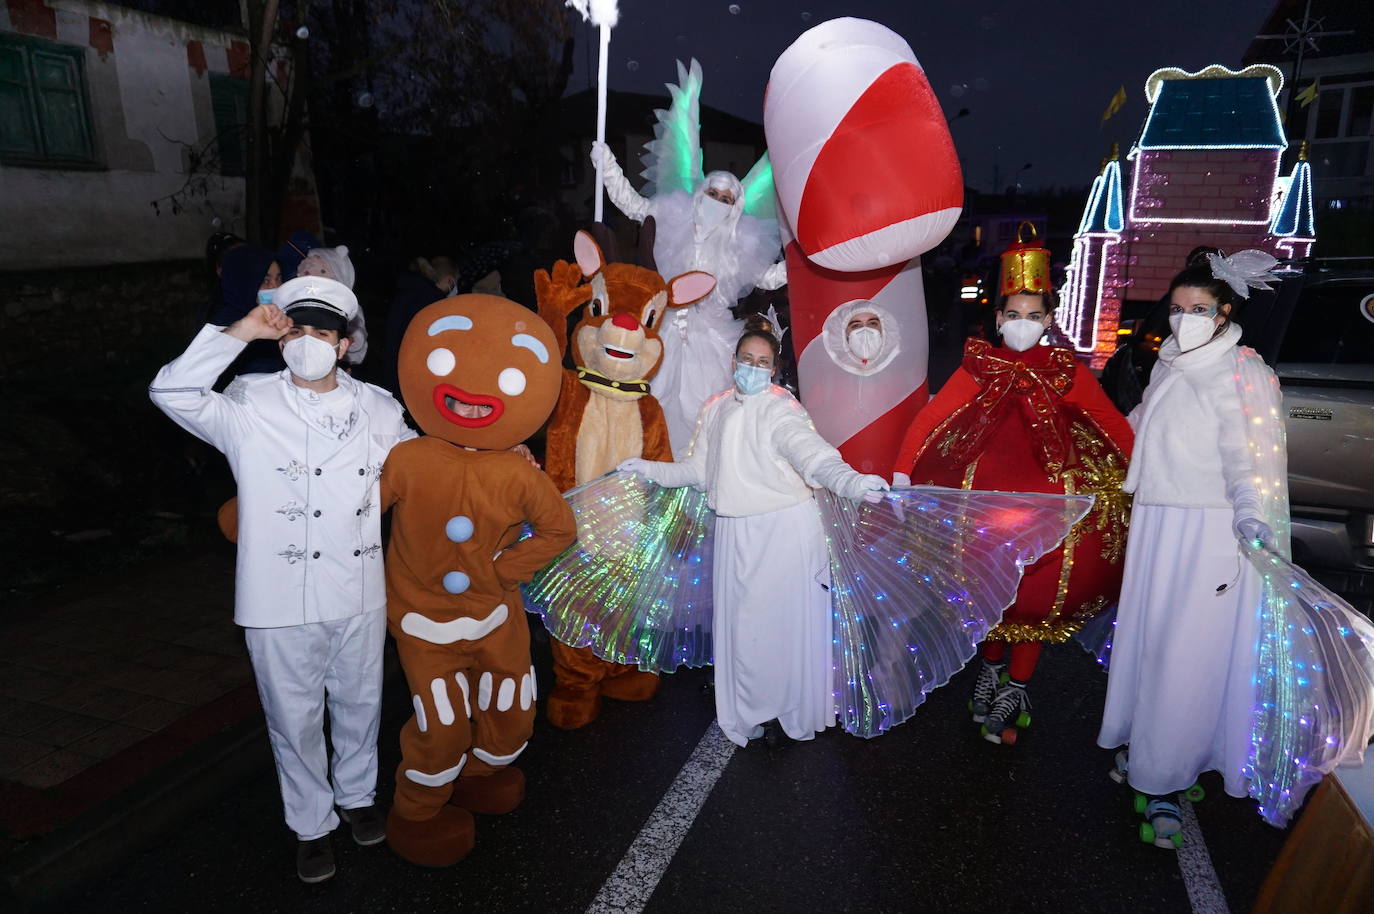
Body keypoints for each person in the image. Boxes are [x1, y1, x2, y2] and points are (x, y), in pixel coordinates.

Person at [149, 275, 415, 883]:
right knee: (292, 718)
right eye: (296, 329)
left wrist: (501, 457)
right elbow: (170, 389)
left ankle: (356, 797)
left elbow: (426, 469)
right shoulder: (246, 403)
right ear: (281, 335)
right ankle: (312, 825)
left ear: (343, 345)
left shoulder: (377, 407)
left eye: (321, 332)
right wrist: (240, 331)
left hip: (357, 587)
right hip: (275, 597)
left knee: (360, 703)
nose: (306, 342)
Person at [891, 229, 1133, 745]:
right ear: (999, 319)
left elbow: (1112, 423)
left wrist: (1140, 474)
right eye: (1014, 315)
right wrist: (903, 472)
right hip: (982, 508)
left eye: (1034, 315)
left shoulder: (1067, 372)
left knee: (1039, 593)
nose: (1024, 325)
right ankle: (991, 668)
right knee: (991, 586)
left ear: (1048, 320)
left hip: (1049, 512)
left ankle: (1017, 685)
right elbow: (932, 417)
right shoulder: (980, 367)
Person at [617, 316, 888, 747]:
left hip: (785, 530)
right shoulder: (717, 406)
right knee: (743, 627)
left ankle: (789, 708)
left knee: (783, 625)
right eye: (747, 359)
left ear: (775, 369)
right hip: (734, 532)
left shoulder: (783, 408)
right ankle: (749, 707)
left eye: (764, 362)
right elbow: (697, 470)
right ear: (733, 361)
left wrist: (851, 482)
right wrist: (649, 469)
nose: (754, 368)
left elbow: (813, 456)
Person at [1097, 249, 1283, 847]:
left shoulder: (1238, 370)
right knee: (1153, 640)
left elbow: (1244, 456)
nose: (1184, 319)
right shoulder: (1173, 363)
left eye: (1198, 309)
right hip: (1158, 522)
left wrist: (1250, 514)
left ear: (1225, 312)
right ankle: (1154, 747)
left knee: (1186, 653)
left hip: (1206, 531)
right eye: (1177, 309)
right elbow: (1135, 424)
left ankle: (1163, 780)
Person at [591, 59, 786, 457]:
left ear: (736, 207)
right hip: (661, 324)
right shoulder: (672, 213)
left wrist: (803, 263)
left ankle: (697, 473)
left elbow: (766, 277)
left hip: (710, 334)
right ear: (701, 193)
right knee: (650, 396)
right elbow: (632, 204)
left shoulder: (739, 245)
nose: (718, 202)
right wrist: (608, 166)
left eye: (727, 199)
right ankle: (647, 464)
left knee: (707, 405)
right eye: (714, 194)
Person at [298, 244, 368, 369]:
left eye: (322, 273)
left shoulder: (348, 306)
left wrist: (350, 339)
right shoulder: (302, 304)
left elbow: (358, 333)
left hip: (339, 365)